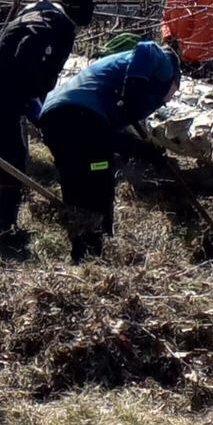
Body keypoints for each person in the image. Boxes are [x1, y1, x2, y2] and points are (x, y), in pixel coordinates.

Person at [0, 0, 94, 255]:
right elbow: (28, 60)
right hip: (4, 96)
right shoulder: (51, 26)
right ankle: (4, 229)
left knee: (17, 153)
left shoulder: (39, 16)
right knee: (12, 158)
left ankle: (8, 217)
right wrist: (34, 101)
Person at [38, 39, 180, 262]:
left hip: (54, 117)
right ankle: (100, 246)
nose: (165, 102)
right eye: (171, 95)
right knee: (100, 171)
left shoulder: (116, 77)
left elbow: (113, 136)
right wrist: (136, 85)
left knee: (76, 178)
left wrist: (143, 151)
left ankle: (82, 252)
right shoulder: (164, 65)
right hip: (80, 116)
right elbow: (147, 48)